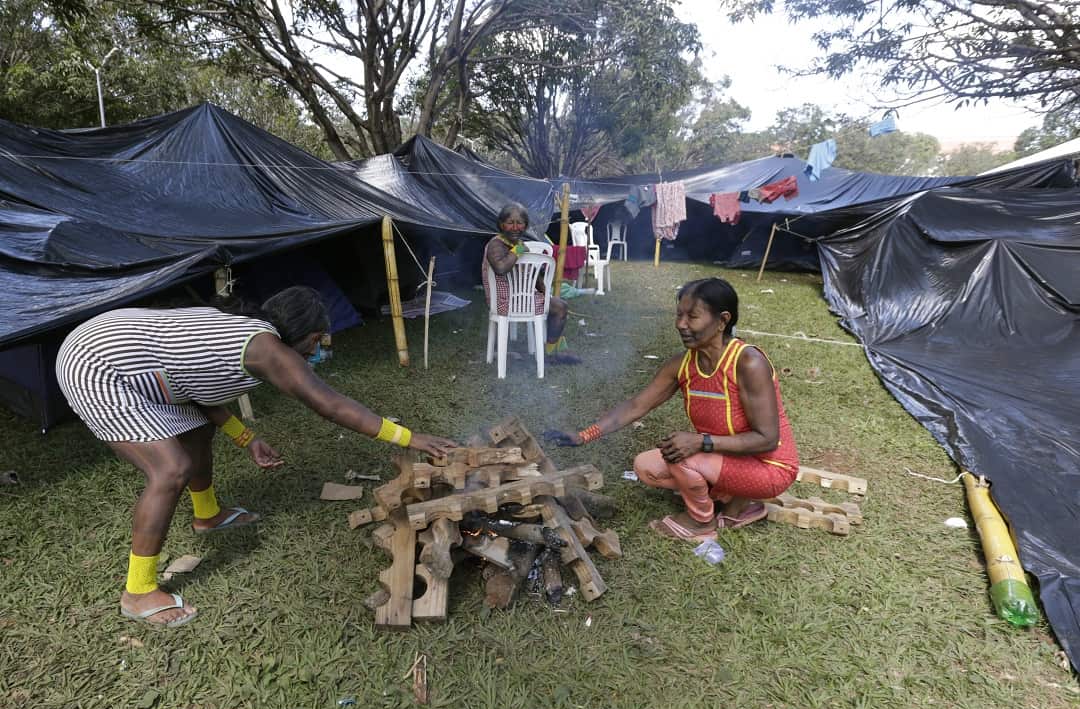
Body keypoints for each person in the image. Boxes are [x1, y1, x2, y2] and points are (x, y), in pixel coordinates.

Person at [55, 286, 458, 627]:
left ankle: (207, 514)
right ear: (302, 334)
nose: (317, 352)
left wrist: (246, 438)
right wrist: (409, 437)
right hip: (95, 364)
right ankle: (138, 591)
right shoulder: (265, 347)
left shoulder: (248, 337)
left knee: (196, 431)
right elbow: (329, 404)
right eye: (317, 342)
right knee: (170, 468)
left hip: (138, 366)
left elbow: (200, 393)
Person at [545, 277, 798, 541]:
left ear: (722, 320)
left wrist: (701, 442)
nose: (681, 324)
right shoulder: (683, 364)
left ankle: (701, 522)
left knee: (682, 455)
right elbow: (636, 406)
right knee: (645, 466)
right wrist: (585, 435)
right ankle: (736, 505)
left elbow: (767, 439)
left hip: (770, 467)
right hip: (730, 459)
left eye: (693, 317)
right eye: (679, 315)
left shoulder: (748, 362)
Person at [484, 203, 579, 364]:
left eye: (520, 223)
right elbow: (500, 268)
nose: (515, 227)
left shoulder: (515, 244)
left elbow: (529, 273)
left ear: (526, 226)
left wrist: (543, 291)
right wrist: (517, 251)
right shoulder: (496, 244)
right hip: (503, 301)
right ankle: (550, 352)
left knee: (555, 303)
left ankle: (551, 347)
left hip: (520, 297)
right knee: (560, 307)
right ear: (501, 224)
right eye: (510, 222)